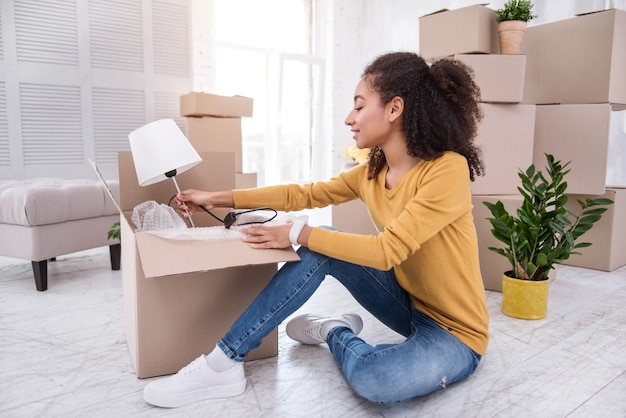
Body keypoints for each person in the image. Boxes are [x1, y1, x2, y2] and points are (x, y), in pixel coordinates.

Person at [143, 51, 489, 407]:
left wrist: (297, 233)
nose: (349, 119)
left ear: (394, 109)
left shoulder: (447, 170)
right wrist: (218, 197)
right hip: (406, 303)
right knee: (320, 246)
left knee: (376, 379)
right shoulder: (372, 173)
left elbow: (388, 251)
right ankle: (224, 362)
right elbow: (303, 194)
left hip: (456, 333)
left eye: (358, 106)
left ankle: (333, 329)